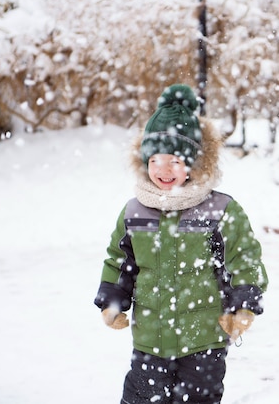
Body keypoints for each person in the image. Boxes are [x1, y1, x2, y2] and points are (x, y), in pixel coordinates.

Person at [94, 83, 269, 404]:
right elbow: (120, 260)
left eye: (175, 160)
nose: (164, 169)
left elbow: (245, 258)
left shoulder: (220, 210)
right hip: (150, 340)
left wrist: (243, 304)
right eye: (156, 159)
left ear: (194, 164)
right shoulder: (134, 211)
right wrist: (112, 300)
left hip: (203, 339)